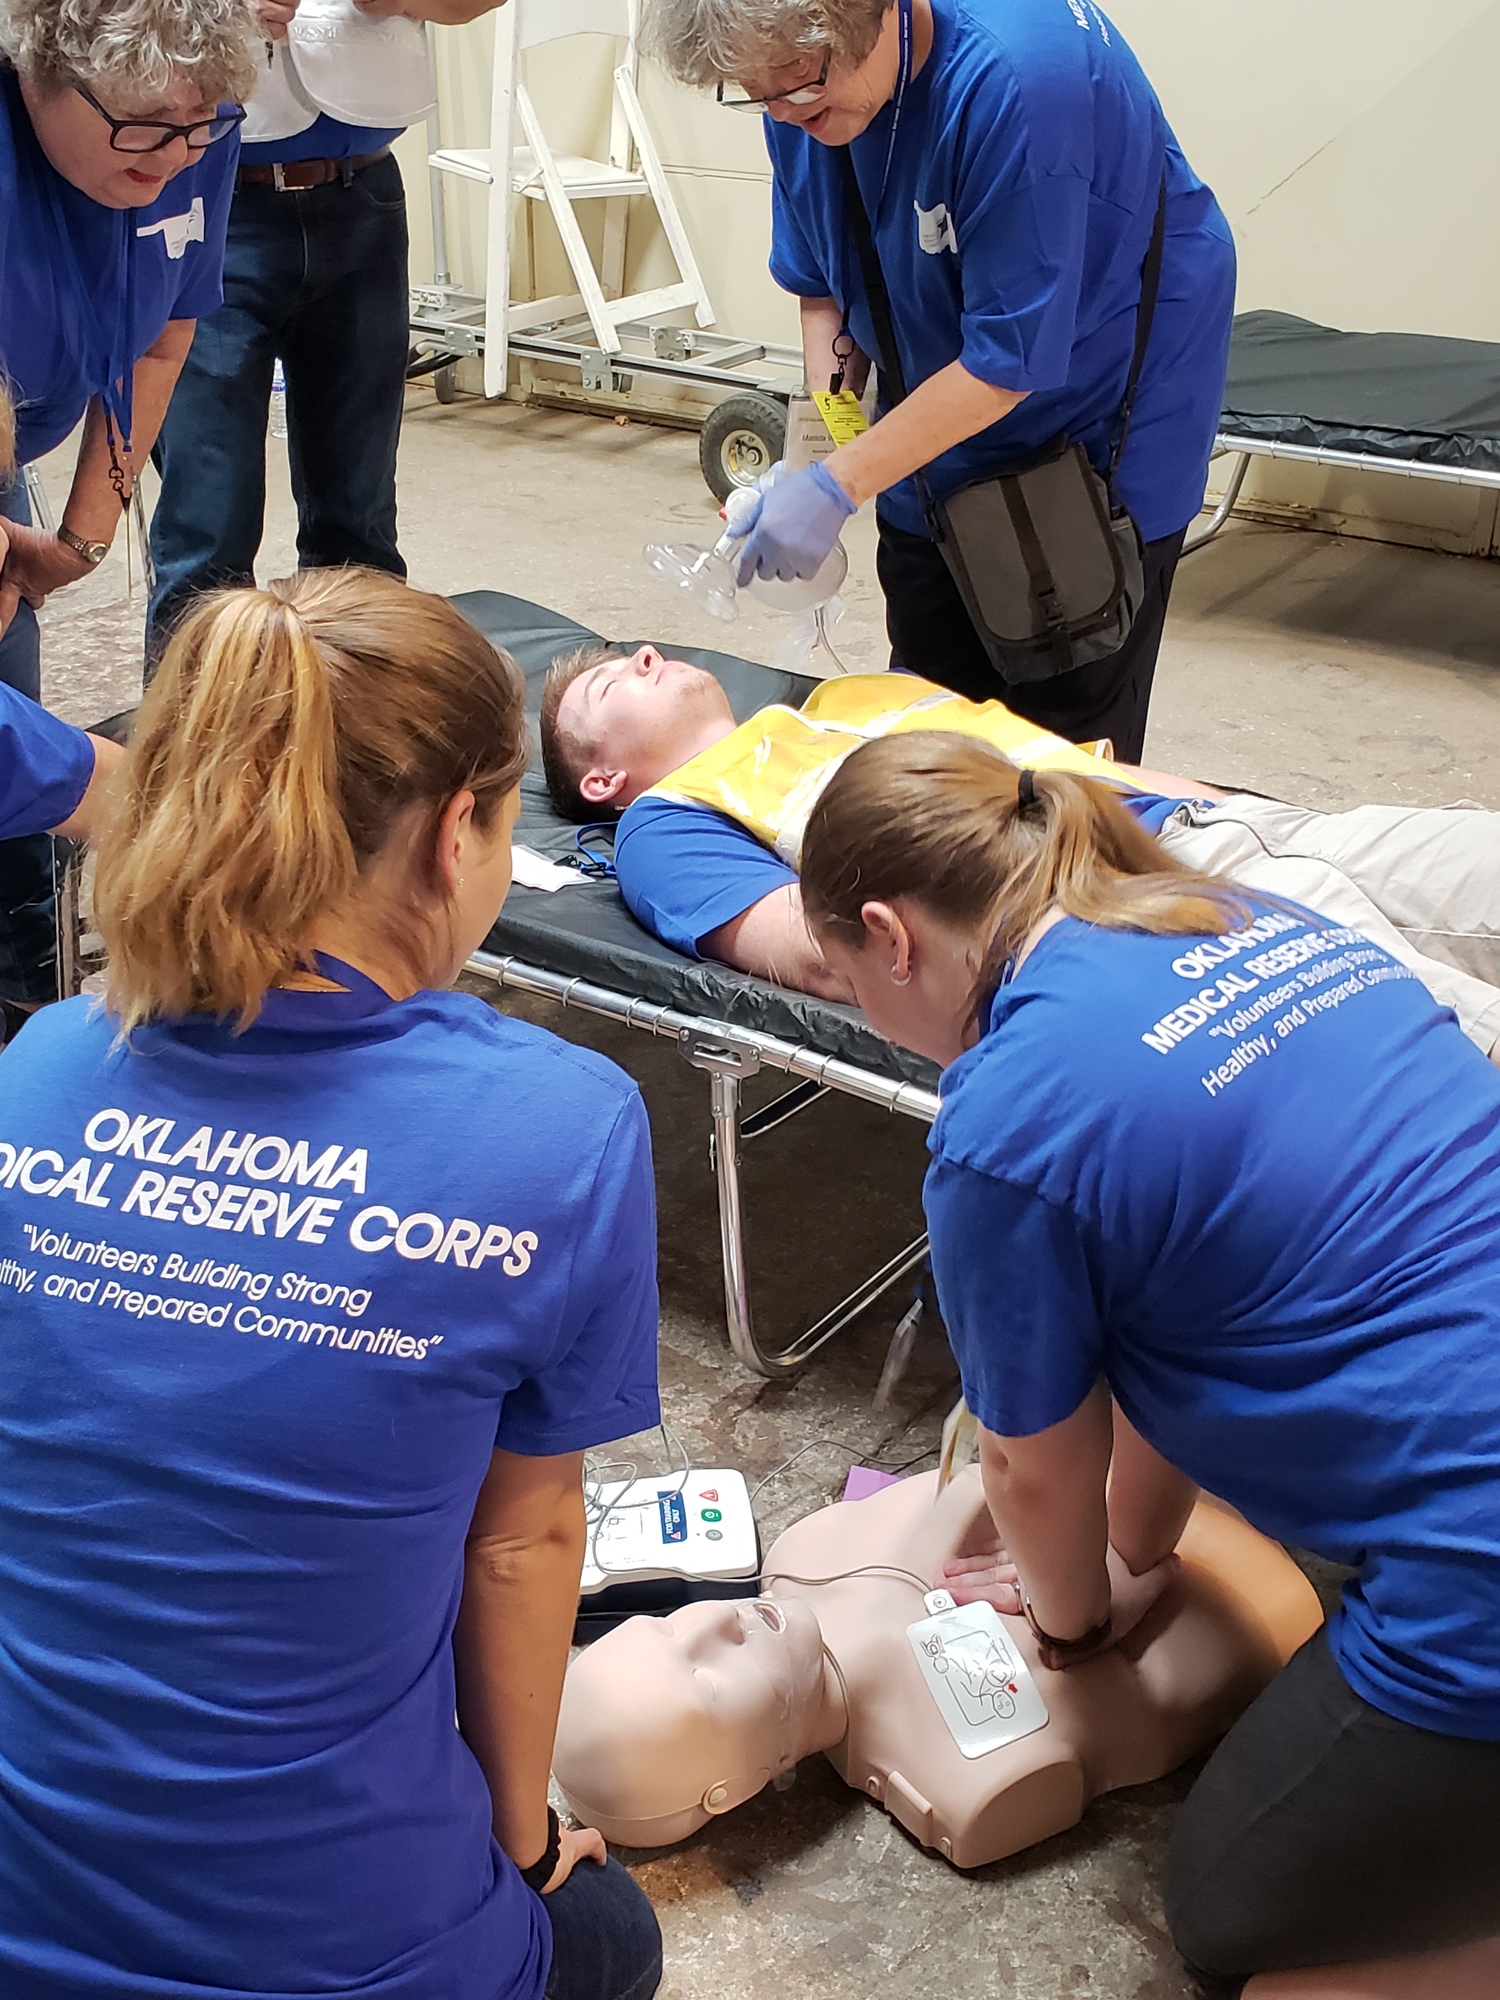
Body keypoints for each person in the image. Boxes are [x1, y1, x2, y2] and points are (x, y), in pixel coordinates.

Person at [0, 567, 664, 2000]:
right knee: (612, 1938)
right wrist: (527, 1845)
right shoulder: (557, 1132)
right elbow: (518, 1551)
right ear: (453, 836)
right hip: (349, 1955)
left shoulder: (43, 1065)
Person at [792, 730, 1500, 2000]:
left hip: (1480, 1568)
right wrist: (1141, 1551)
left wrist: (1071, 1623)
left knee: (1234, 1914)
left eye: (846, 981)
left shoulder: (1009, 1118)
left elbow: (1033, 1463)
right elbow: (1169, 1314)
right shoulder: (1241, 910)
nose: (869, 1015)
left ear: (890, 938)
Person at [644, 0, 1236, 760]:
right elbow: (822, 281)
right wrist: (820, 450)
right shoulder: (798, 86)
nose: (784, 114)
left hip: (1100, 394)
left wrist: (838, 485)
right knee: (929, 705)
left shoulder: (1019, 80)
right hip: (944, 376)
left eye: (799, 88)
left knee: (1059, 741)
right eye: (758, 96)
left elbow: (1006, 362)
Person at [538, 642, 1500, 1056]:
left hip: (1243, 833)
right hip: (1135, 895)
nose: (646, 655)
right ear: (600, 783)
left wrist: (1239, 807)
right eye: (611, 686)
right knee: (1460, 1036)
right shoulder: (667, 824)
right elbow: (829, 950)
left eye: (637, 652)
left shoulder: (854, 697)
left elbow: (1065, 763)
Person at [553, 1464, 1322, 1867]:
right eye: (703, 1680)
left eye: (665, 1626)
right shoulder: (966, 1781)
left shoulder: (806, 1556)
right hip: (1275, 1595)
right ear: (728, 1790)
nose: (715, 1618)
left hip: (1178, 1443)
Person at [0, 0, 258, 1007]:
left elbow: (162, 339)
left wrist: (77, 538)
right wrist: (125, 794)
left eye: (205, 124)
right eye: (146, 124)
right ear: (38, 72)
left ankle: (25, 987)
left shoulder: (193, 136)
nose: (177, 154)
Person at [146, 0, 507, 666]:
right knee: (206, 524)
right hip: (204, 197)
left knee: (359, 521)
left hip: (363, 194)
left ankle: (366, 751)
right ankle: (189, 758)